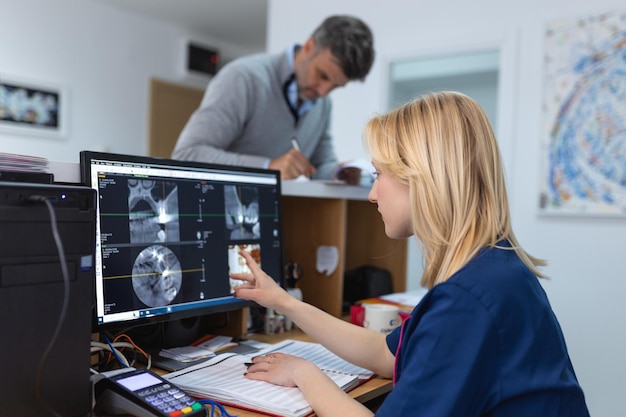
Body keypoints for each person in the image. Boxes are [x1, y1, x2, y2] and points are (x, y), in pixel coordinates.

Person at [231, 91, 590, 416]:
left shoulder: (468, 301)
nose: (372, 195)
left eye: (378, 174)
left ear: (422, 177)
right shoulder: (494, 266)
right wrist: (284, 301)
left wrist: (304, 373)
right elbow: (387, 355)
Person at [172, 15, 374, 184]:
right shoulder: (243, 78)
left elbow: (320, 166)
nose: (323, 92)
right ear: (309, 46)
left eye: (336, 86)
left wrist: (339, 173)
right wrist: (268, 167)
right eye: (322, 75)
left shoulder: (323, 105)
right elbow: (188, 154)